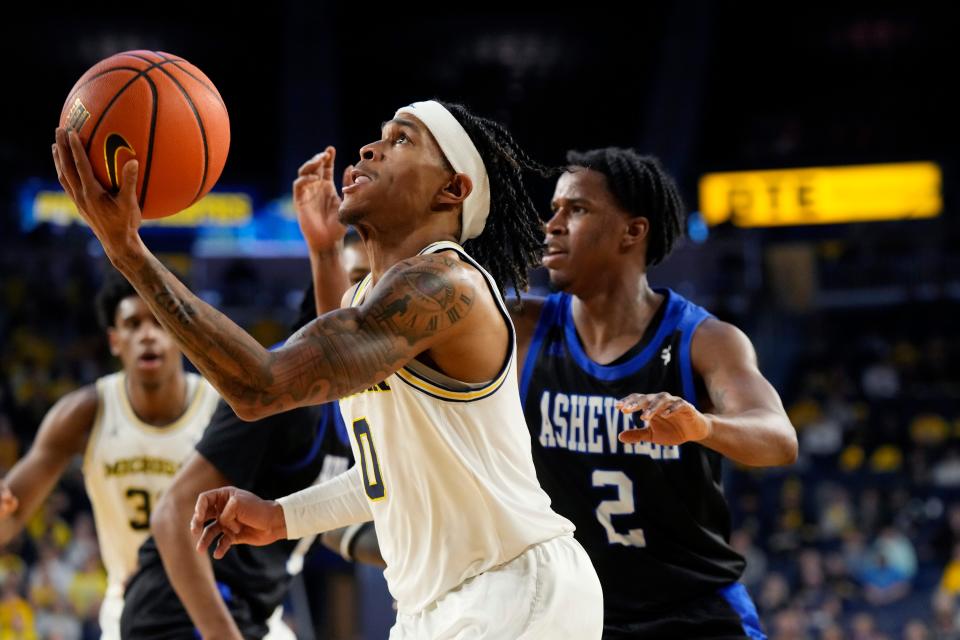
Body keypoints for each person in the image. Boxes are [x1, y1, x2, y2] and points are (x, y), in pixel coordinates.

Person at [52, 100, 603, 639]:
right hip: (437, 607)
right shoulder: (381, 298)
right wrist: (279, 517)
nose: (369, 147)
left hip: (514, 588)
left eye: (401, 140)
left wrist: (127, 251)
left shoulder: (443, 283)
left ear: (452, 189)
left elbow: (261, 385)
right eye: (381, 135)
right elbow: (387, 472)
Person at [513, 147, 798, 638]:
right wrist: (329, 255)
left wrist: (704, 426)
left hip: (694, 611)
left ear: (633, 231)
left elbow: (778, 438)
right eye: (555, 208)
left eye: (576, 209)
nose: (552, 224)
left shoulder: (704, 340)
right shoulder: (521, 327)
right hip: (573, 616)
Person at [120, 151, 374, 640]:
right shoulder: (282, 390)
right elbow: (175, 513)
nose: (374, 298)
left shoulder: (368, 400)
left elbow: (326, 515)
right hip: (181, 612)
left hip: (249, 613)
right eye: (358, 279)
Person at [0, 270, 220, 639]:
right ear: (115, 341)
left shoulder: (220, 409)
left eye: (160, 322)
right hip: (131, 600)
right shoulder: (85, 412)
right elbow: (12, 513)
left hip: (220, 597)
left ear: (185, 332)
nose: (147, 335)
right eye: (133, 324)